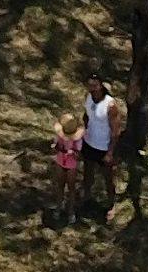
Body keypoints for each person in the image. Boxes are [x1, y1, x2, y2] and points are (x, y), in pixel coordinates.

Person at [82, 79, 124, 214]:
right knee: (88, 173)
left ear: (101, 86)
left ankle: (111, 204)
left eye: (95, 86)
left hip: (103, 147)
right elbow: (87, 115)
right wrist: (84, 130)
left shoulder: (110, 105)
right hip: (89, 143)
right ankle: (86, 198)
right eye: (90, 85)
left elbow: (116, 130)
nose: (92, 88)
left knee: (107, 177)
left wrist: (110, 152)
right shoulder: (89, 97)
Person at [50, 111, 87, 223]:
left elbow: (78, 155)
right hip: (60, 161)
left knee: (71, 188)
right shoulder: (59, 136)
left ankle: (71, 211)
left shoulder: (77, 140)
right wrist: (55, 147)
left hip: (71, 164)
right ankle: (58, 207)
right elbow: (55, 146)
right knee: (60, 185)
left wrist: (73, 153)